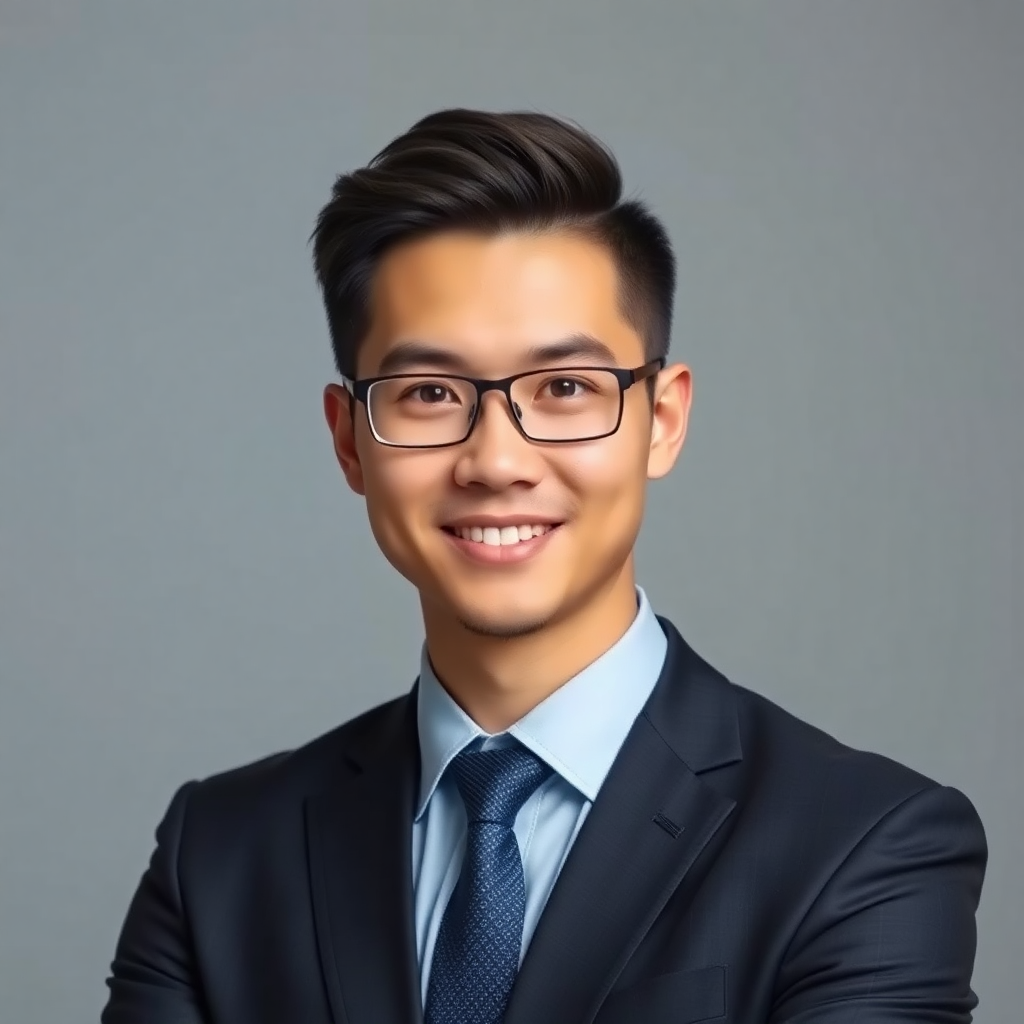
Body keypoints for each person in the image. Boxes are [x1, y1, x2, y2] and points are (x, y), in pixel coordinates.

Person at [101, 109, 987, 1024]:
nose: (496, 460)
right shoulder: (222, 853)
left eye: (565, 388)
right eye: (429, 394)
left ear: (664, 419)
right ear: (349, 440)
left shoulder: (866, 845)